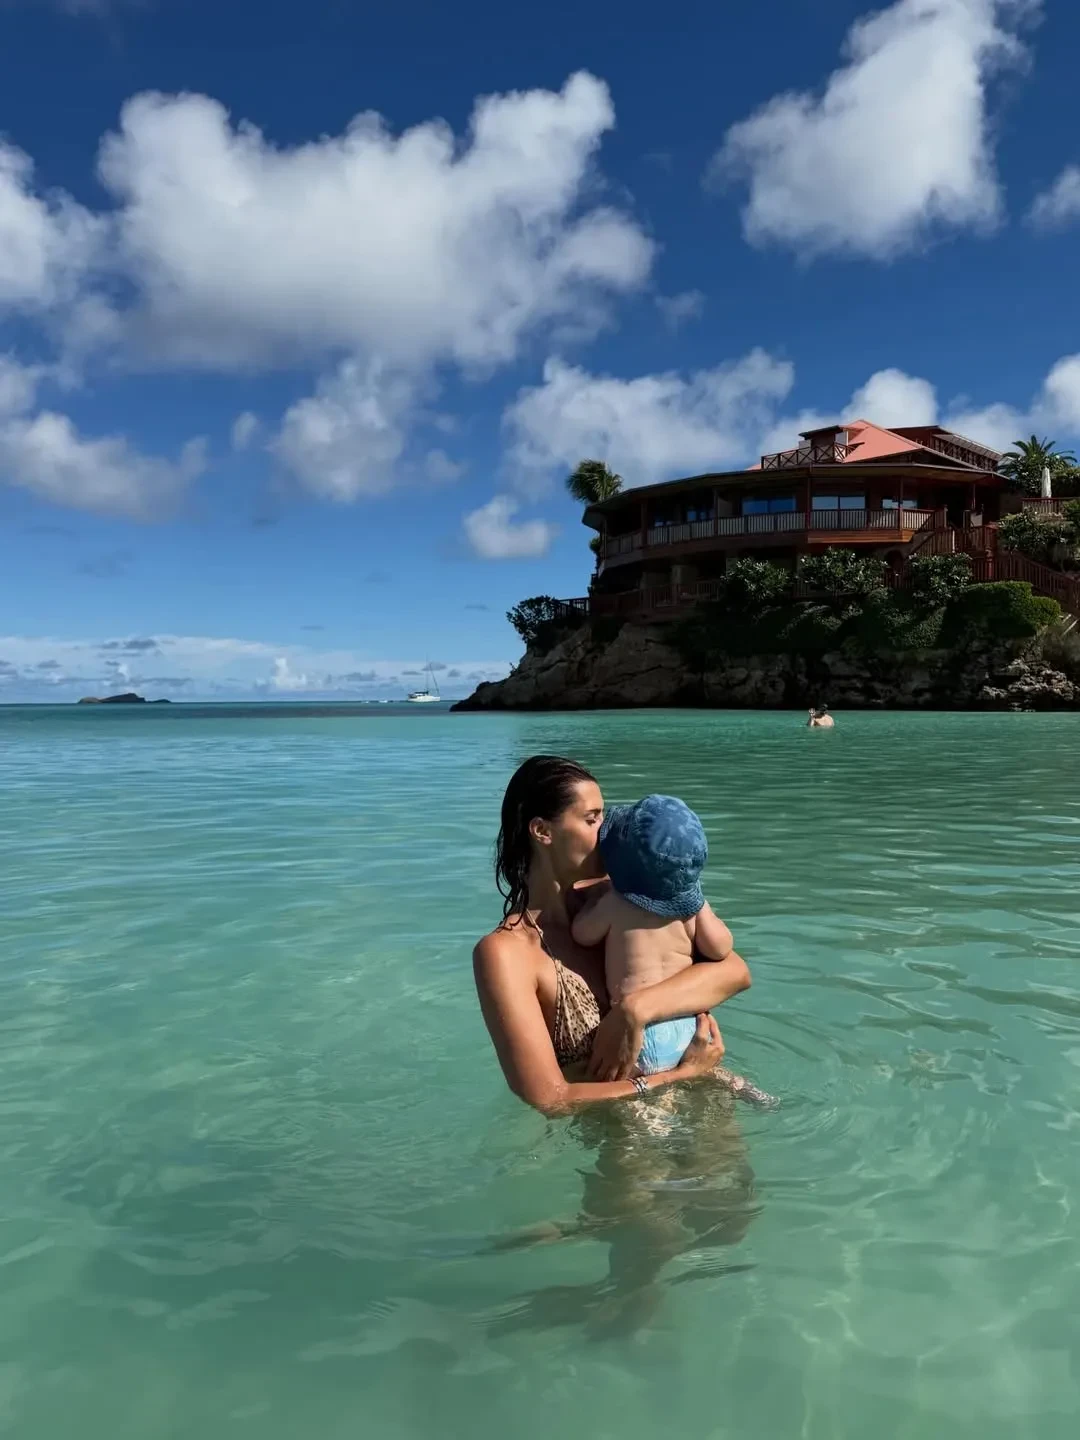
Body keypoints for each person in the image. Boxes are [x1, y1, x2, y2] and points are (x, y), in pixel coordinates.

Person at [473, 756, 752, 1117]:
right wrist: (679, 1076)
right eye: (591, 819)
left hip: (709, 1102)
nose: (605, 831)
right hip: (628, 1131)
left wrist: (636, 1010)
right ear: (542, 831)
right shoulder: (506, 952)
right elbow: (550, 1099)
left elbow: (735, 972)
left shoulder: (620, 896)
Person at [570, 794, 775, 1105]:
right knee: (700, 1072)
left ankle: (654, 1120)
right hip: (687, 1023)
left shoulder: (613, 904)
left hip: (640, 1036)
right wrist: (702, 908)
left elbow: (582, 934)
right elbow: (721, 948)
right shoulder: (692, 910)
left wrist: (589, 902)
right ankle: (735, 1084)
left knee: (648, 1108)